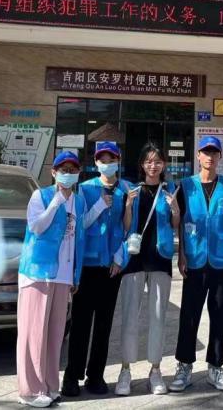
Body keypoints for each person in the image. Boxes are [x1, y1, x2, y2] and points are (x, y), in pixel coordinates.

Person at [16, 151, 110, 408]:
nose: (68, 174)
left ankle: (49, 386)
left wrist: (100, 206)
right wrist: (55, 203)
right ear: (54, 172)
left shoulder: (78, 201)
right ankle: (29, 391)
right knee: (33, 332)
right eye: (63, 169)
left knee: (55, 334)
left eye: (73, 169)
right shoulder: (41, 196)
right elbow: (36, 227)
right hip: (38, 272)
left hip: (64, 275)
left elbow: (81, 228)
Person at [111, 143, 180, 396]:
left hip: (160, 258)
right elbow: (126, 225)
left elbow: (175, 224)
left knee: (158, 317)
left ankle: (155, 370)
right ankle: (125, 370)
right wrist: (129, 206)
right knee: (130, 316)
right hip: (134, 260)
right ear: (142, 164)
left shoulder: (169, 190)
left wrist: (175, 209)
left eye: (158, 161)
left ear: (164, 165)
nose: (153, 166)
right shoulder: (132, 190)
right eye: (149, 161)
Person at [169, 136, 223, 393]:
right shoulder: (186, 186)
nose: (210, 156)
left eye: (214, 152)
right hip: (194, 259)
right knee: (189, 314)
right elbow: (180, 223)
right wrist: (181, 255)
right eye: (205, 152)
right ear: (198, 156)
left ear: (220, 156)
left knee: (220, 315)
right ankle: (184, 365)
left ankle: (215, 366)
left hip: (219, 259)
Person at [63, 141, 128, 397]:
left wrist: (120, 257)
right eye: (103, 160)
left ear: (119, 161)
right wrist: (100, 205)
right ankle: (72, 376)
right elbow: (79, 225)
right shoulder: (85, 189)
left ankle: (96, 375)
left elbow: (130, 228)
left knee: (104, 324)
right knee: (80, 323)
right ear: (96, 162)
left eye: (112, 159)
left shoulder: (127, 189)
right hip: (88, 265)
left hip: (111, 267)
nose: (107, 164)